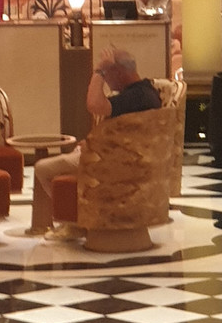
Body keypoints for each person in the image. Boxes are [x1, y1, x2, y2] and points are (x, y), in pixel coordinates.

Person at [28, 49, 162, 234]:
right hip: (127, 159)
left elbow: (94, 105)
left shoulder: (136, 96)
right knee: (72, 156)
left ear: (119, 72)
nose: (106, 81)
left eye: (108, 74)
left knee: (42, 168)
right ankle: (77, 218)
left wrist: (99, 71)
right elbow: (124, 132)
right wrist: (96, 142)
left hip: (110, 163)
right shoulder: (147, 92)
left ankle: (74, 223)